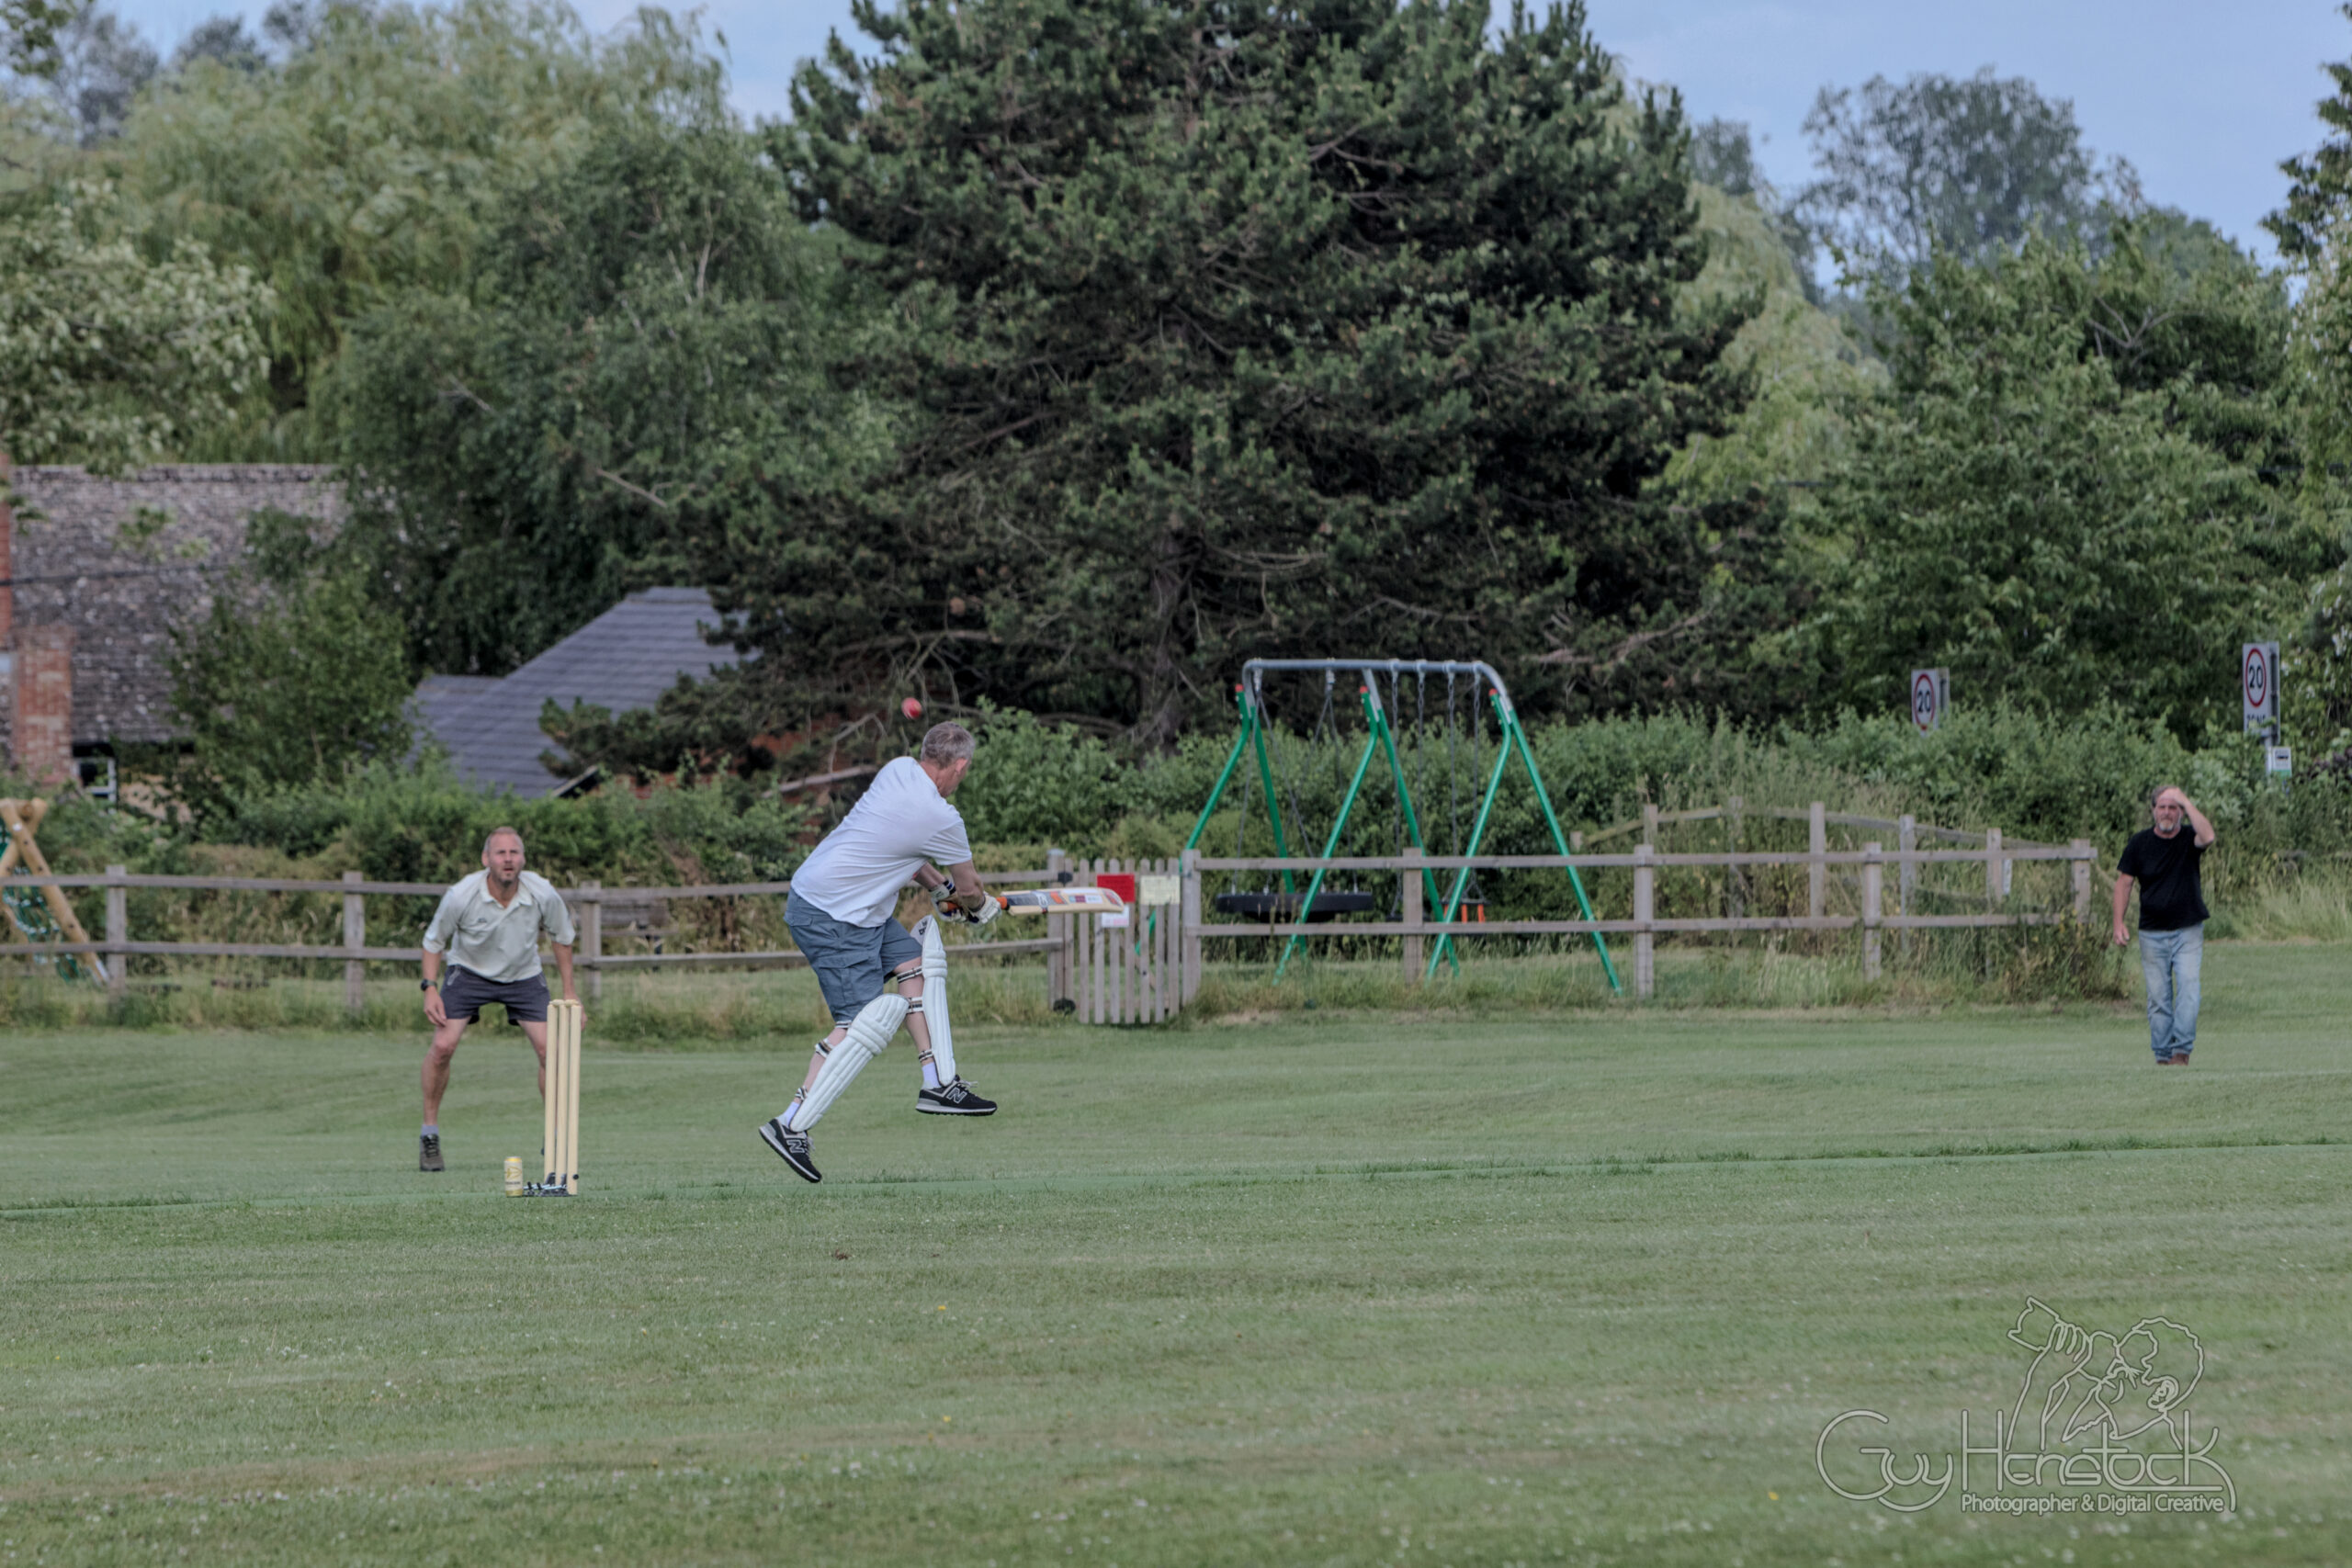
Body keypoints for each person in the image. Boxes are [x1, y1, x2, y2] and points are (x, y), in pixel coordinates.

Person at [759, 722, 1001, 1183]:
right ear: (960, 766)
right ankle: (791, 1123)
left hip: (844, 902)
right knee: (860, 1025)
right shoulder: (943, 817)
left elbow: (904, 851)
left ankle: (937, 1083)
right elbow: (971, 888)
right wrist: (976, 905)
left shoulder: (898, 770)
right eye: (964, 772)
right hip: (834, 914)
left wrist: (940, 889)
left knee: (916, 964)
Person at [416, 827, 580, 1170]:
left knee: (551, 1052)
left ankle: (555, 1136)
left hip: (523, 975)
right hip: (468, 973)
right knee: (443, 1046)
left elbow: (562, 937)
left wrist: (570, 994)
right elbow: (433, 942)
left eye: (514, 852)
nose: (508, 859)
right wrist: (429, 988)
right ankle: (429, 1134)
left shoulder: (542, 892)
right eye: (501, 853)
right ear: (486, 859)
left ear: (523, 859)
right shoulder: (461, 895)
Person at [2111, 784, 2215, 1066]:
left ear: (2180, 812)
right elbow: (2124, 883)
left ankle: (2181, 1052)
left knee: (2189, 990)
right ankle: (2162, 1056)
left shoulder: (2190, 838)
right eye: (2162, 807)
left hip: (2188, 930)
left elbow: (2208, 836)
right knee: (2158, 999)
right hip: (2152, 932)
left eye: (2173, 807)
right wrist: (2118, 923)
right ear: (2153, 810)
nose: (2167, 812)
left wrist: (2186, 801)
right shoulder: (2139, 843)